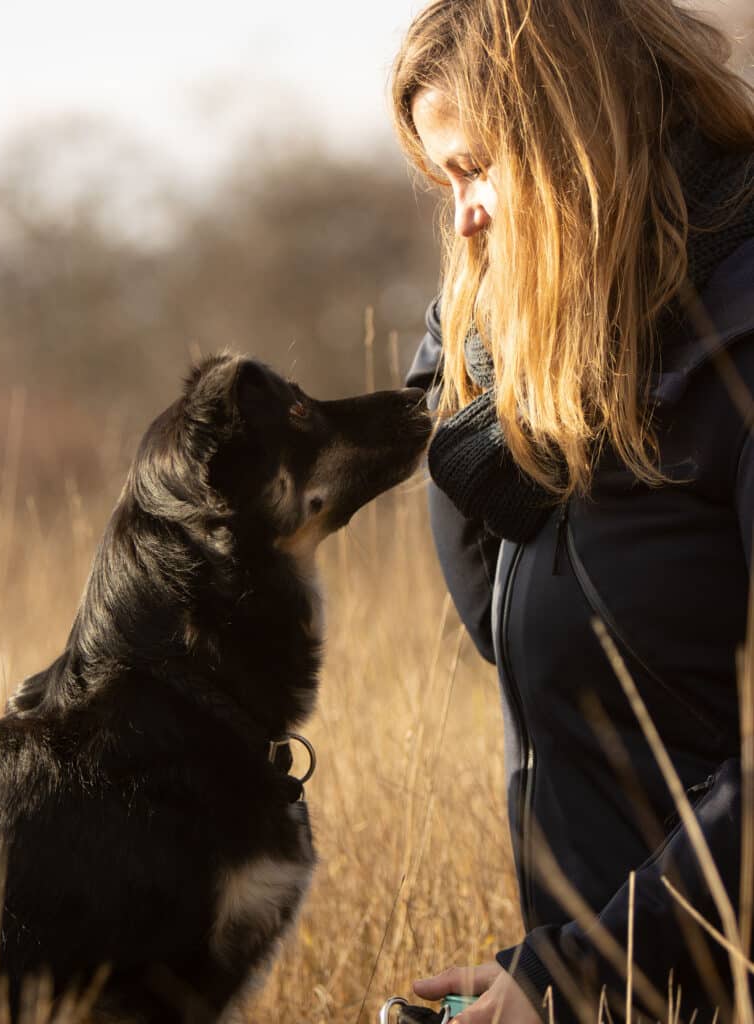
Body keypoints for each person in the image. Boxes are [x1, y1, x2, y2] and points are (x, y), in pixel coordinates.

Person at [390, 0, 754, 1021]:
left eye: (477, 168)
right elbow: (505, 629)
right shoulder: (582, 358)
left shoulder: (735, 342)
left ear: (573, 144)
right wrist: (479, 343)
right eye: (443, 181)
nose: (462, 217)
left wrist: (579, 969)